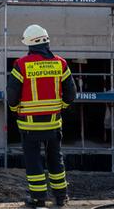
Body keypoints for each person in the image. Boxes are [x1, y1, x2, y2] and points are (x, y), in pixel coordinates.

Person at [7, 24, 76, 208]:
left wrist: (15, 110)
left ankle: (39, 200)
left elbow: (12, 96)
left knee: (33, 160)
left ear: (29, 43)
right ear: (46, 41)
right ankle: (61, 197)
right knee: (56, 158)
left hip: (29, 126)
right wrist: (61, 106)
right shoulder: (60, 63)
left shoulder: (21, 65)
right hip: (53, 124)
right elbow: (71, 93)